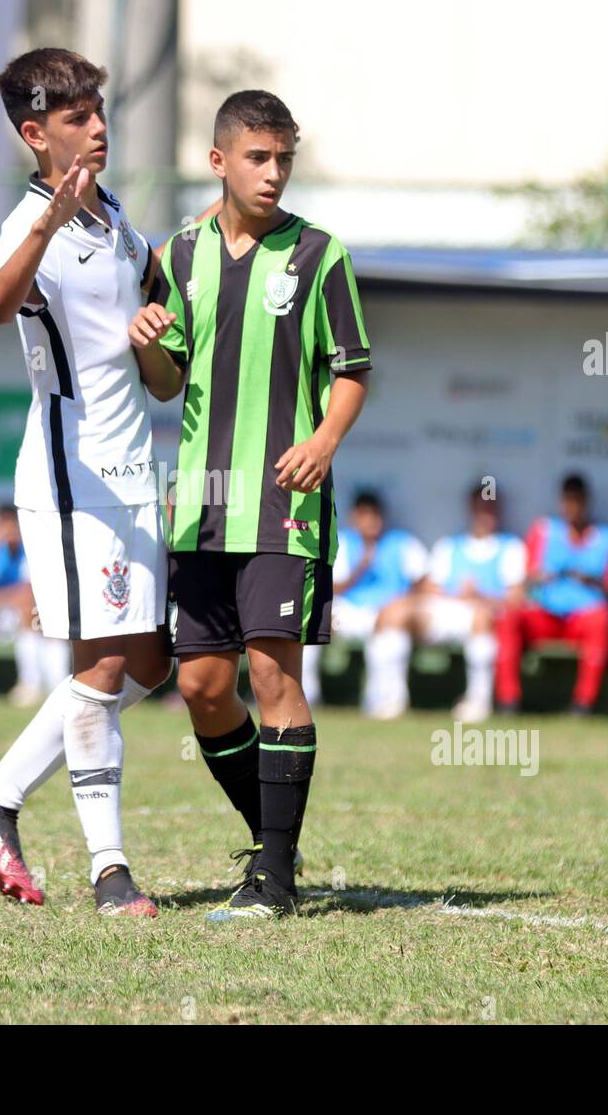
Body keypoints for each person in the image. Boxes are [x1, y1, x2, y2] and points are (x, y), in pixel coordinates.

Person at [0, 49, 217, 917]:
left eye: (99, 109)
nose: (98, 126)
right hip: (73, 475)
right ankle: (111, 873)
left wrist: (155, 332)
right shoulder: (32, 220)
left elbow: (158, 369)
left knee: (148, 660)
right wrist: (43, 226)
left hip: (133, 472)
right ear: (36, 133)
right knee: (101, 662)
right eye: (76, 116)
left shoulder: (117, 219)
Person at [132, 89, 371, 921]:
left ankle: (270, 880)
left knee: (271, 673)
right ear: (219, 160)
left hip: (281, 502)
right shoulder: (178, 253)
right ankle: (277, 840)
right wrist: (147, 343)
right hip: (198, 504)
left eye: (284, 160)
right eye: (258, 158)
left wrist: (325, 442)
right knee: (200, 685)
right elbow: (166, 382)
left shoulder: (319, 256)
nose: (273, 175)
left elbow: (353, 370)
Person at [494, 473, 608, 715]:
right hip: (546, 615)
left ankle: (583, 705)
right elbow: (522, 579)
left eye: (577, 500)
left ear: (587, 501)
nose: (572, 507)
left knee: (601, 619)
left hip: (583, 618)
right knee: (508, 617)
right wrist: (538, 577)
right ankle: (509, 701)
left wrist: (593, 581)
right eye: (568, 500)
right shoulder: (544, 531)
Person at [300, 491, 428, 718]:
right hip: (349, 613)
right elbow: (331, 587)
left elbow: (424, 583)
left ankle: (387, 701)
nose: (370, 521)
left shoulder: (402, 542)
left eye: (375, 515)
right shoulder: (341, 542)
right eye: (364, 515)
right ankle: (305, 696)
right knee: (313, 619)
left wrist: (403, 602)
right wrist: (361, 568)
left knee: (392, 627)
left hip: (389, 614)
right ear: (355, 517)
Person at [409, 483, 525, 724]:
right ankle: (387, 698)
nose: (486, 513)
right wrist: (458, 594)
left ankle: (478, 700)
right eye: (481, 507)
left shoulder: (511, 547)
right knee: (397, 614)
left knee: (481, 617)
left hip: (487, 616)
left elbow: (516, 598)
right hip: (448, 612)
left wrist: (480, 596)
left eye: (491, 507)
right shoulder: (450, 545)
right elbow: (430, 585)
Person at [0, 504, 69, 707]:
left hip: (31, 613)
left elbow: (29, 594)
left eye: (12, 526)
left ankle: (30, 685)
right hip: (0, 609)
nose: (8, 532)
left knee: (29, 612)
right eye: (3, 525)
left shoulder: (33, 547)